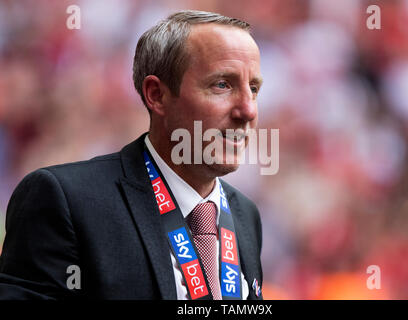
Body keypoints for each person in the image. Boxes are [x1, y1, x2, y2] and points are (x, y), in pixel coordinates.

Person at [0, 10, 263, 300]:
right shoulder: (65, 200)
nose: (248, 110)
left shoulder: (245, 215)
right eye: (222, 85)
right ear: (157, 95)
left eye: (253, 89)